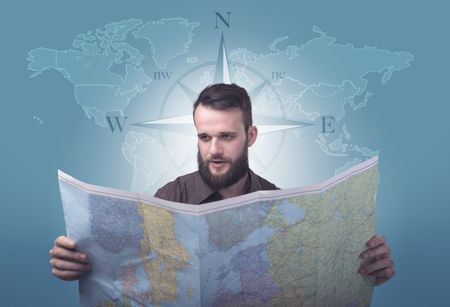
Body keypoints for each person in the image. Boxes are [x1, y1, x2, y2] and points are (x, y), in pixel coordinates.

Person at [49, 83, 395, 286]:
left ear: (251, 135)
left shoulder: (280, 205)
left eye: (227, 136)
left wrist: (361, 273)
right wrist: (82, 264)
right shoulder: (168, 197)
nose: (213, 150)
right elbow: (133, 275)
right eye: (204, 136)